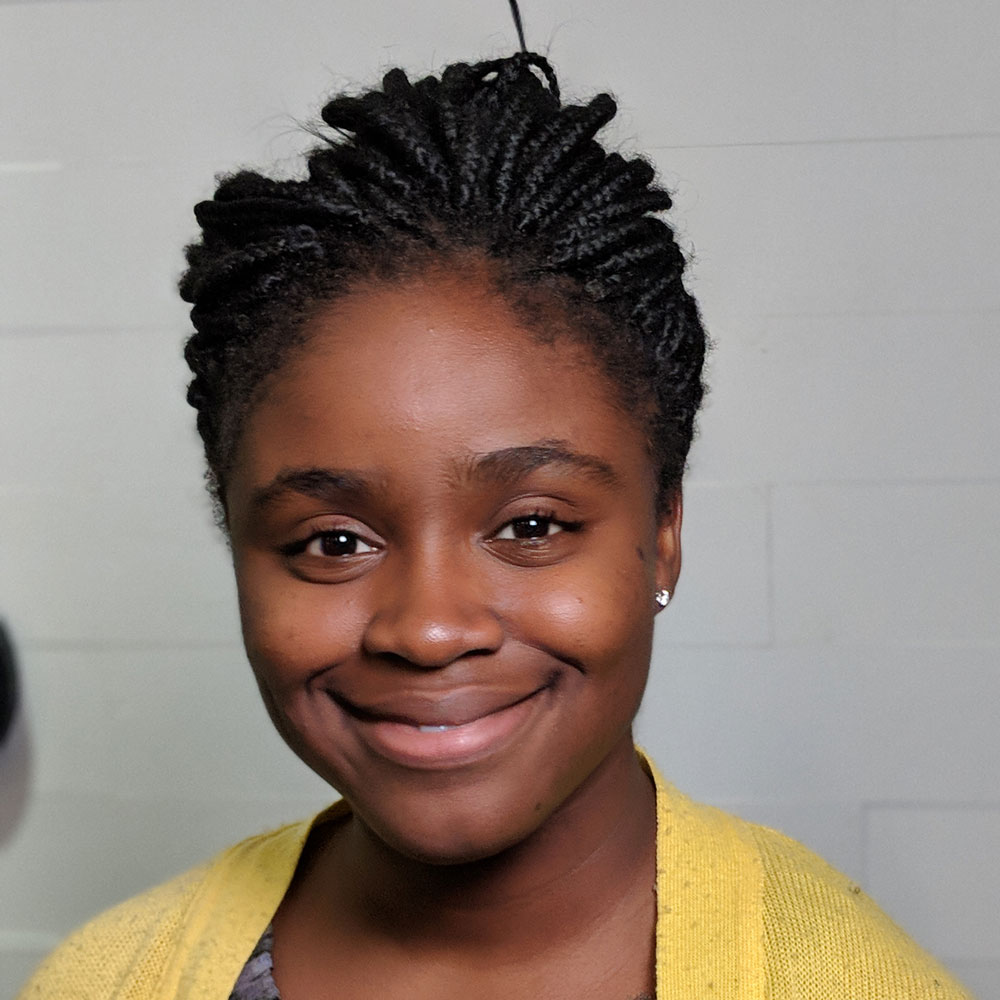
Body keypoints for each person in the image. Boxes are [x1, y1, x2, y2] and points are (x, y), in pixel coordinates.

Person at [19, 42, 973, 1000]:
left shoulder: (856, 983)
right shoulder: (103, 980)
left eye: (531, 527)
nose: (430, 629)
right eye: (334, 541)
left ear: (664, 529)